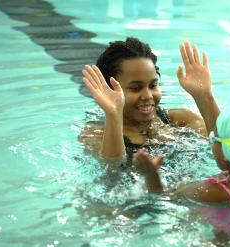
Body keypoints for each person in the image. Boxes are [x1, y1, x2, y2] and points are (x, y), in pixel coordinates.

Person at [79, 37, 220, 159]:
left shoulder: (179, 120)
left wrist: (204, 97)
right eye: (136, 88)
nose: (148, 96)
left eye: (153, 85)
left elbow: (225, 147)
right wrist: (113, 114)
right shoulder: (96, 134)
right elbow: (112, 169)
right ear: (108, 89)